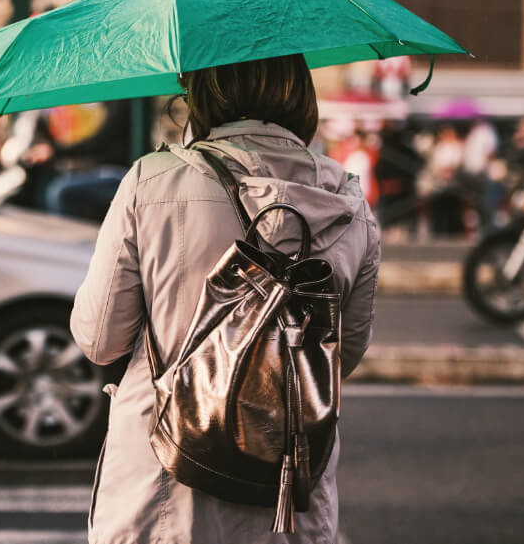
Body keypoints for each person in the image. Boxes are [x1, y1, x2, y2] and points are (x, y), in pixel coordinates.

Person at [70, 54, 380, 544]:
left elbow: (99, 340)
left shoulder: (151, 183)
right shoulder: (348, 201)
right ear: (300, 93)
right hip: (286, 492)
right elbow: (343, 354)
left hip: (164, 487)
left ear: (203, 92)